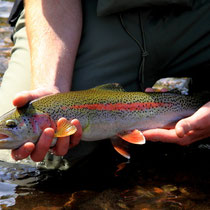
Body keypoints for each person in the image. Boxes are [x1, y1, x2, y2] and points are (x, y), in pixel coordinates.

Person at [1, 0, 210, 163]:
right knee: (39, 160)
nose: (7, 129)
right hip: (89, 13)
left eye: (11, 125)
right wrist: (49, 83)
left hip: (199, 13)